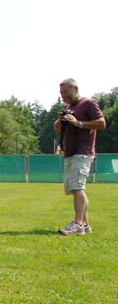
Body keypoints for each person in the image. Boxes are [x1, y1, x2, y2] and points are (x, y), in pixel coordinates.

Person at [53, 78, 106, 236]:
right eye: (61, 93)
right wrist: (61, 120)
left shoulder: (88, 103)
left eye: (65, 93)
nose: (63, 96)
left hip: (83, 151)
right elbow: (57, 128)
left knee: (77, 187)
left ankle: (77, 224)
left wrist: (79, 123)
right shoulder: (67, 107)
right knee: (75, 188)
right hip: (70, 152)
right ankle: (86, 225)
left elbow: (102, 123)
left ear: (75, 88)